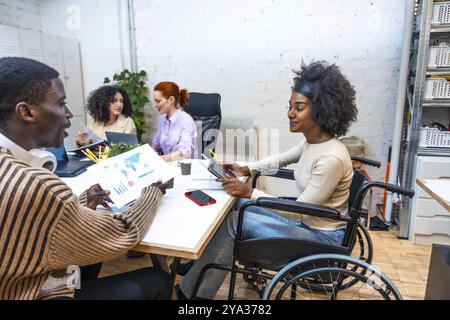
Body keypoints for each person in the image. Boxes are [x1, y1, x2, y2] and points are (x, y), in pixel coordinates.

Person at [176, 60, 358, 299]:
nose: (290, 113)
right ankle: (199, 268)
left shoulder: (331, 157)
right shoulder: (313, 143)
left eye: (299, 107)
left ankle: (193, 294)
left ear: (321, 109)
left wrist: (249, 192)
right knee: (238, 205)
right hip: (307, 226)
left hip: (320, 237)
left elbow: (299, 211)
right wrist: (244, 168)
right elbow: (279, 160)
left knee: (235, 220)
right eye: (290, 106)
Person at [0, 57, 171, 300]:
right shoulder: (36, 184)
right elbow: (122, 233)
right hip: (32, 291)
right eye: (61, 104)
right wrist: (152, 193)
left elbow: (24, 223)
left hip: (11, 280)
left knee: (82, 261)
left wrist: (78, 204)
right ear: (26, 111)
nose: (68, 113)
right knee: (159, 279)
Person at [152, 81, 197, 161]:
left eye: (158, 101)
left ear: (171, 99)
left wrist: (157, 160)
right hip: (169, 165)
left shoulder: (186, 120)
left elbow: (184, 153)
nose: (155, 105)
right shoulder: (163, 120)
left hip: (186, 168)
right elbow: (156, 145)